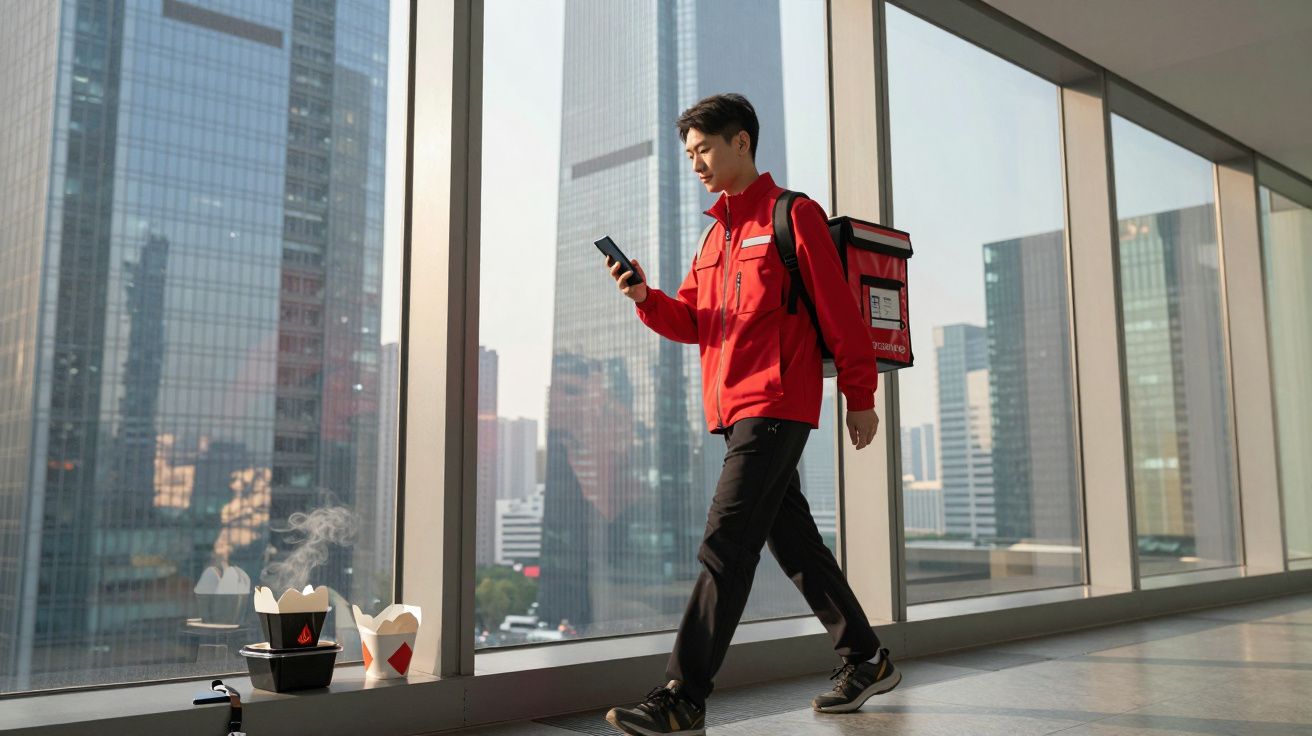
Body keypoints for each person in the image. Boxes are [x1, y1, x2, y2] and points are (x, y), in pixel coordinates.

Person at [602, 93, 900, 736]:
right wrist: (645, 296)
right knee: (793, 542)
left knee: (725, 543)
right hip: (735, 410)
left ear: (742, 142)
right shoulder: (715, 236)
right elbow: (693, 321)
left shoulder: (794, 215)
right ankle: (867, 658)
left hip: (778, 403)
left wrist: (861, 396)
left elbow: (840, 314)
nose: (696, 163)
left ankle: (684, 694)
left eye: (704, 149)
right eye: (689, 154)